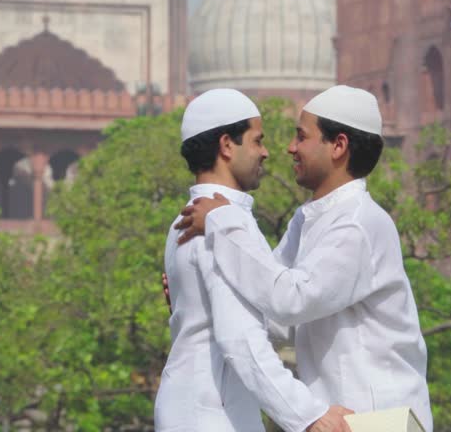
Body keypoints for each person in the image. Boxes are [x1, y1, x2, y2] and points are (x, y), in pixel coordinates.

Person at [176, 85, 433, 432]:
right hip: (337, 416)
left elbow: (291, 300)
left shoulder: (357, 223)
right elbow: (267, 309)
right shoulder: (308, 219)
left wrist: (221, 224)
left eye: (301, 136)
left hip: (376, 415)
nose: (290, 148)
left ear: (338, 145)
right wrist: (199, 297)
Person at [156, 88, 353, 432]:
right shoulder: (221, 220)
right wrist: (309, 415)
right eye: (257, 140)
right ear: (226, 145)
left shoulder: (186, 220)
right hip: (211, 413)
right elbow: (240, 338)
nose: (266, 152)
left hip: (197, 405)